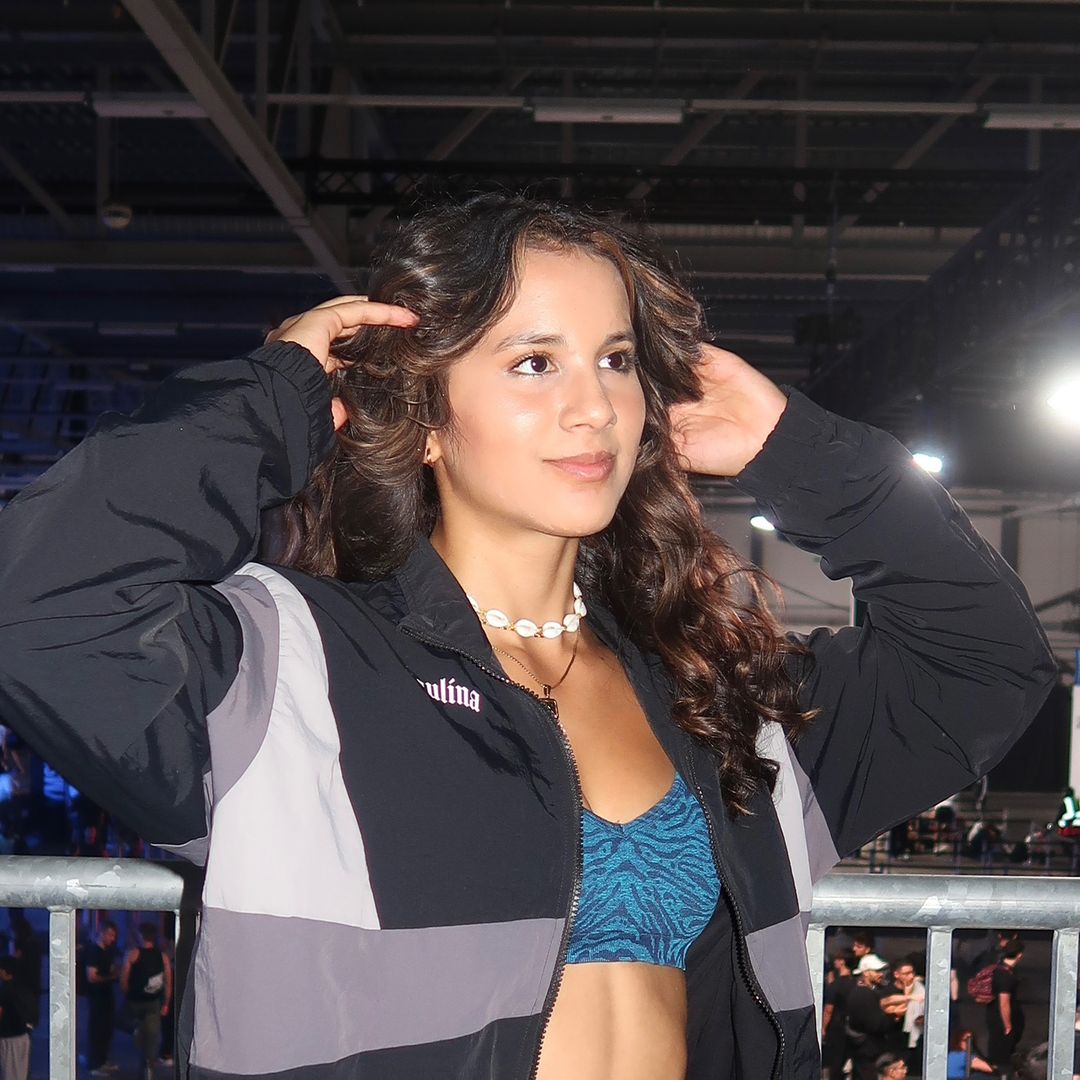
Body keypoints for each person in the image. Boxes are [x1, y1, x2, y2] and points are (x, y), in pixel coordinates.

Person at [0, 194, 1056, 1080]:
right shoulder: (287, 678)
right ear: (422, 412)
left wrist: (804, 454)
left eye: (614, 359)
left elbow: (984, 662)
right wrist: (268, 399)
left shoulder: (714, 695)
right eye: (533, 363)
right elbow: (38, 604)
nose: (593, 408)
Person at [121, 923, 171, 1080]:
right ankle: (149, 1065)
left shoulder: (133, 954)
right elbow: (168, 981)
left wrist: (127, 995)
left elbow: (124, 979)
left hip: (136, 1001)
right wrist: (166, 1003)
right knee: (153, 1037)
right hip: (153, 1002)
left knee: (141, 1033)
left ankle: (142, 1046)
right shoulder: (162, 957)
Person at [846, 955, 899, 1080]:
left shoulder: (860, 991)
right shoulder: (864, 994)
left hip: (863, 1051)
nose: (881, 974)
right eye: (877, 971)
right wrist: (893, 1017)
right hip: (869, 1052)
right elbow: (875, 1025)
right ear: (866, 973)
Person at [85, 920, 120, 1077]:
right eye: (110, 935)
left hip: (107, 996)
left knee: (106, 1030)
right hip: (97, 998)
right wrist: (110, 977)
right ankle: (95, 1063)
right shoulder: (94, 952)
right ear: (103, 933)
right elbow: (92, 977)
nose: (113, 939)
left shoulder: (108, 951)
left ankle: (103, 1060)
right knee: (98, 1031)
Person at [985, 939, 1025, 1072]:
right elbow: (1004, 1002)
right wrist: (1008, 1025)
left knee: (997, 1049)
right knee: (1002, 1055)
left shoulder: (1000, 967)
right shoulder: (1006, 977)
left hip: (993, 1015)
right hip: (1001, 1020)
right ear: (1019, 955)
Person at [880, 955, 925, 1072]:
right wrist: (910, 996)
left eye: (912, 972)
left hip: (913, 1041)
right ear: (897, 975)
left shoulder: (919, 989)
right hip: (893, 1041)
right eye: (906, 973)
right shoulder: (888, 991)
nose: (911, 976)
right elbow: (889, 1008)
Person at [822, 951, 856, 1080]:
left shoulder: (835, 986)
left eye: (837, 959)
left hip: (836, 1027)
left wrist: (823, 1028)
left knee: (835, 1060)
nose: (835, 961)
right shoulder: (855, 983)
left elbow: (828, 1010)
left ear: (842, 962)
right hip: (851, 1025)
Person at [0, 957, 29, 1080]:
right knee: (20, 1074)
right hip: (23, 1036)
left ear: (5, 972)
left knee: (10, 1074)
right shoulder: (22, 987)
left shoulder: (4, 991)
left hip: (9, 1039)